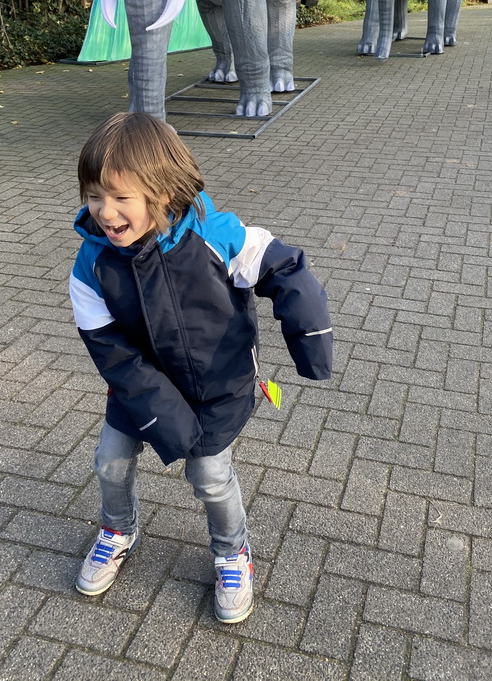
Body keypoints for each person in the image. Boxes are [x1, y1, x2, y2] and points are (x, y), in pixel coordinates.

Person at [69, 112, 333, 624]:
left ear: (163, 193)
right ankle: (118, 530)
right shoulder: (91, 264)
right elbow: (110, 350)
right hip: (139, 388)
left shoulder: (218, 235)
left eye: (121, 198)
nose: (104, 211)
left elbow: (287, 269)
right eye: (94, 195)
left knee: (210, 475)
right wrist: (164, 415)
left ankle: (233, 553)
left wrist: (311, 343)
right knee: (110, 459)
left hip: (220, 386)